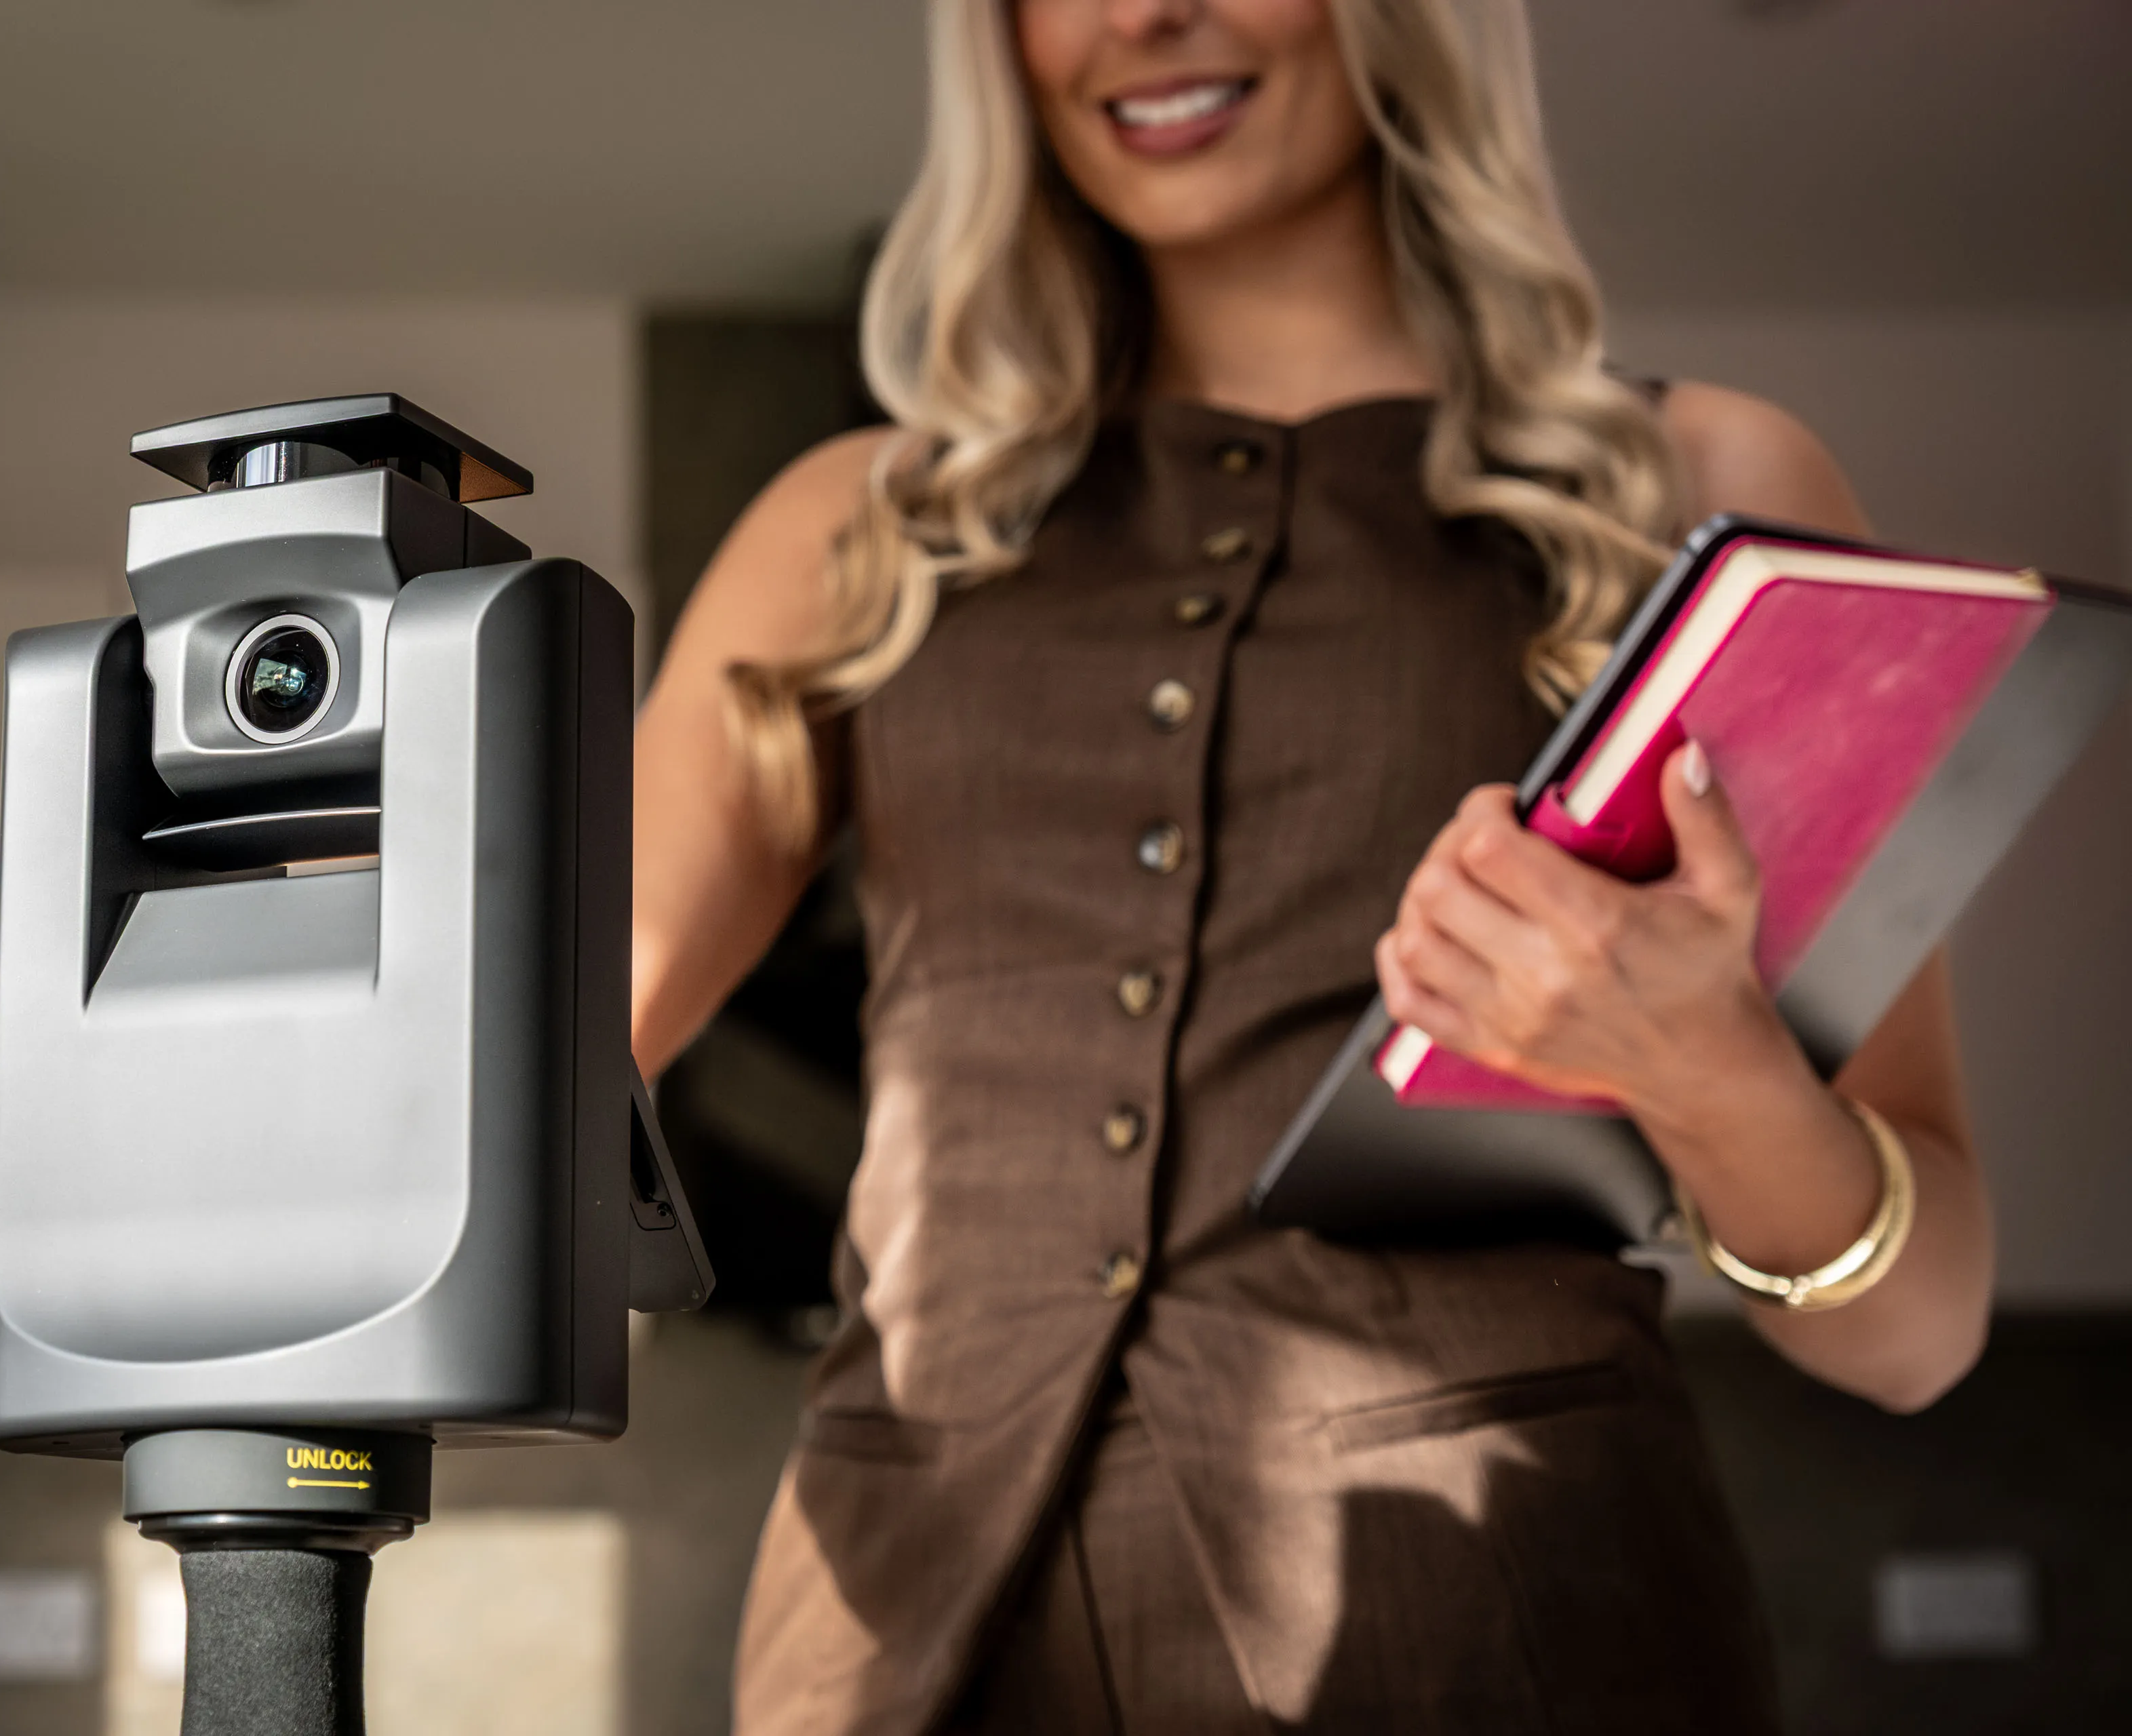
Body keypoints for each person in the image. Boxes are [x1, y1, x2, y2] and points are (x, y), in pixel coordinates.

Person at [631, 1, 1992, 1730]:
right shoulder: (854, 530)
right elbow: (538, 1056)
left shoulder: (1708, 492)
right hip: (891, 1643)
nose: (1142, 17)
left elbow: (1920, 1323)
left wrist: (1712, 1069)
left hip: (1507, 1635)